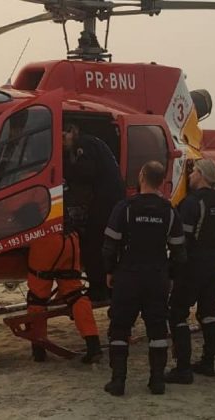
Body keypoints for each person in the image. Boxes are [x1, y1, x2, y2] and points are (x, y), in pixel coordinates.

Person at [102, 161, 186, 396]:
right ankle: (157, 381)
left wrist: (109, 271)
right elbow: (179, 251)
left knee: (119, 328)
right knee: (157, 329)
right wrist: (170, 275)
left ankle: (118, 381)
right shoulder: (169, 211)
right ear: (161, 181)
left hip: (127, 276)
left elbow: (110, 245)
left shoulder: (125, 208)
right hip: (157, 277)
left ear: (141, 176)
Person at [165, 159, 215, 384]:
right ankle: (208, 361)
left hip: (192, 266)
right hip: (214, 265)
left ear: (201, 174)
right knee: (209, 311)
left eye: (193, 172)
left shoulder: (192, 203)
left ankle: (183, 367)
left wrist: (173, 267)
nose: (190, 175)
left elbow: (182, 239)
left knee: (177, 313)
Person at [63, 121, 125, 302]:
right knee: (106, 244)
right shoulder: (93, 143)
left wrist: (62, 166)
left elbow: (86, 171)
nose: (63, 142)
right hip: (111, 200)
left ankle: (98, 289)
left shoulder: (85, 144)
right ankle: (109, 287)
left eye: (63, 137)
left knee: (92, 244)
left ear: (73, 130)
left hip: (106, 201)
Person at [26, 230, 102, 364]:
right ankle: (93, 344)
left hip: (44, 239)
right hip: (70, 239)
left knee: (37, 299)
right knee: (75, 295)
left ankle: (39, 349)